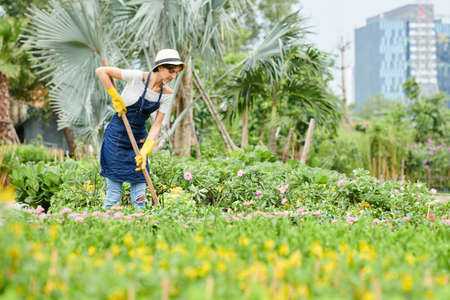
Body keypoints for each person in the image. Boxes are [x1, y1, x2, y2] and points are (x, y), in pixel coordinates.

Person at [95, 49, 185, 210]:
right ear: (160, 67)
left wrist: (146, 150)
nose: (173, 76)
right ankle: (107, 224)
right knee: (114, 194)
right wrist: (115, 96)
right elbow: (102, 71)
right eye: (171, 71)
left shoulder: (167, 94)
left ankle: (140, 226)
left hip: (139, 138)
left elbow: (157, 124)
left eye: (176, 73)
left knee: (139, 195)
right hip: (116, 138)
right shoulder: (137, 77)